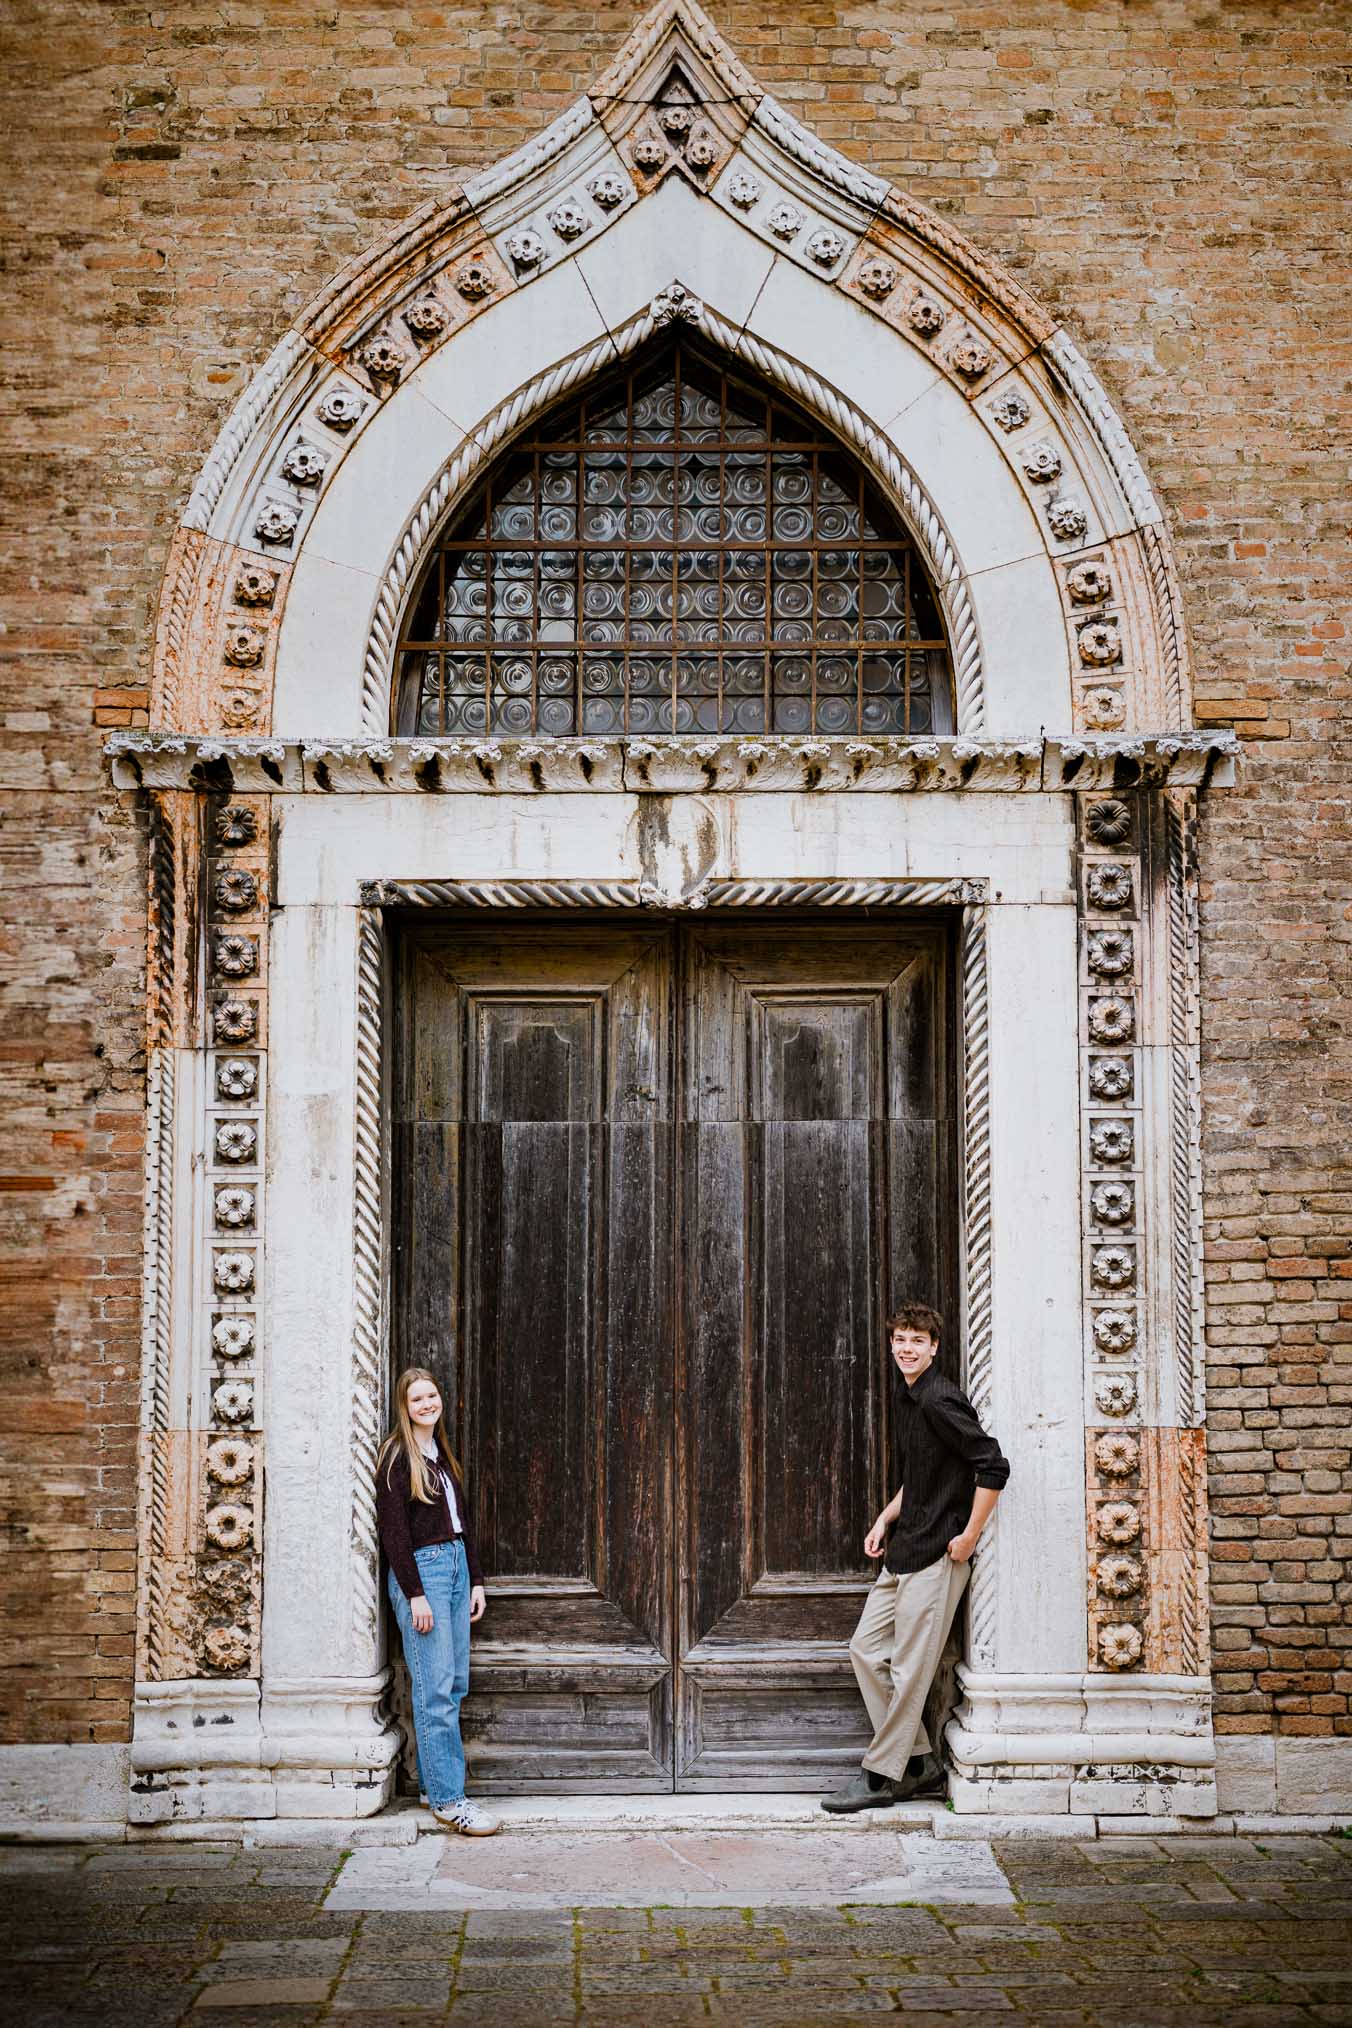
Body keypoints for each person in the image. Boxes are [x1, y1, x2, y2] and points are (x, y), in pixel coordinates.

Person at [822, 1302, 1010, 1813]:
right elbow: (922, 1474)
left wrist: (970, 1535)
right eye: (900, 1339)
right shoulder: (910, 1398)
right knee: (865, 1650)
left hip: (936, 1557)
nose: (907, 1348)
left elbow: (993, 1466)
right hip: (904, 1550)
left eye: (917, 1341)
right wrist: (885, 1518)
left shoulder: (941, 1401)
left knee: (909, 1671)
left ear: (934, 1347)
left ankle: (881, 1777)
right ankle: (921, 1763)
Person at [375, 1366, 499, 1835]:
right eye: (417, 1400)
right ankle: (451, 1801)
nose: (427, 1404)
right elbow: (394, 1535)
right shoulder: (396, 1458)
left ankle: (432, 1786)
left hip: (454, 1570)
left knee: (453, 1685)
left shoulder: (439, 1454)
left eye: (431, 1396)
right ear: (404, 1409)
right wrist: (414, 1595)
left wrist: (475, 1580)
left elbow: (460, 1520)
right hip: (422, 1574)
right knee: (436, 1692)